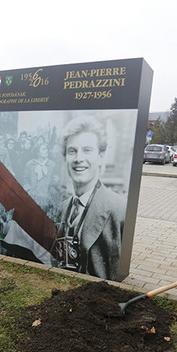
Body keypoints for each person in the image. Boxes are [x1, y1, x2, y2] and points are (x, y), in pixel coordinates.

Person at [53, 116, 125, 280]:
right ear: (65, 157)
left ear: (101, 155)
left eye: (87, 150)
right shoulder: (61, 209)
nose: (79, 159)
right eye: (72, 151)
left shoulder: (119, 210)